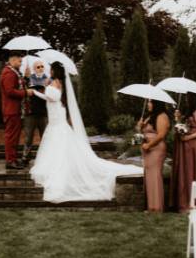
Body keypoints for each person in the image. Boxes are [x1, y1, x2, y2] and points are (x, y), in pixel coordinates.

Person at [29, 62, 143, 203]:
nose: (49, 71)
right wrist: (39, 91)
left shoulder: (56, 82)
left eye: (51, 69)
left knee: (59, 143)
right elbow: (50, 97)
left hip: (57, 118)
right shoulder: (55, 82)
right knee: (54, 143)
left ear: (55, 71)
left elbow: (54, 98)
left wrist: (41, 89)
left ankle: (60, 169)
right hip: (54, 117)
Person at [170, 92, 196, 212]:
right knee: (187, 173)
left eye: (188, 97)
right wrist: (178, 119)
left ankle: (194, 203)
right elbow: (186, 127)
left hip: (195, 146)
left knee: (193, 172)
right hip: (188, 146)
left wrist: (188, 138)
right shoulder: (191, 111)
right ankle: (185, 201)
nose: (186, 99)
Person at [0, 51, 34, 170]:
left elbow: (17, 85)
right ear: (12, 60)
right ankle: (10, 161)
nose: (21, 63)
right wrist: (26, 92)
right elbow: (9, 91)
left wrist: (25, 77)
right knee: (11, 137)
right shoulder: (9, 73)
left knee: (15, 136)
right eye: (20, 61)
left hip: (16, 110)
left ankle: (13, 159)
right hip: (11, 110)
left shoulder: (14, 72)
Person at [138, 99, 171, 212]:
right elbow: (143, 132)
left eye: (150, 102)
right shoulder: (150, 116)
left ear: (157, 103)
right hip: (148, 150)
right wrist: (140, 126)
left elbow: (161, 134)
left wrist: (149, 145)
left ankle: (156, 207)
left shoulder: (162, 116)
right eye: (148, 102)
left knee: (155, 176)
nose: (148, 104)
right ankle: (150, 206)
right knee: (149, 176)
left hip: (156, 149)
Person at [22, 59, 49, 165]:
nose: (40, 68)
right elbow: (22, 90)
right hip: (30, 113)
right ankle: (25, 157)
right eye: (38, 67)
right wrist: (25, 77)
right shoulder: (28, 79)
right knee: (28, 137)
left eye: (42, 66)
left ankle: (46, 158)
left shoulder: (47, 80)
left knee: (45, 137)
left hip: (43, 113)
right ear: (34, 69)